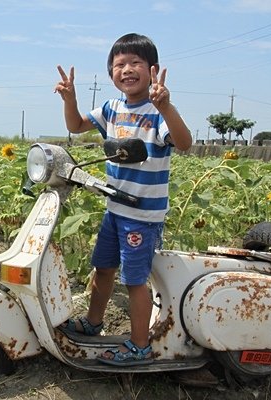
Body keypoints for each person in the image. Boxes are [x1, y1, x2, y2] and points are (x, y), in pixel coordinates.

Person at [54, 33, 192, 366]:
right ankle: (94, 322)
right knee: (102, 269)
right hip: (114, 208)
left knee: (133, 281)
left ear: (152, 70)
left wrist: (167, 107)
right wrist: (69, 99)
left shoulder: (156, 113)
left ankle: (140, 346)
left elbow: (184, 143)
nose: (127, 70)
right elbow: (75, 125)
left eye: (135, 63)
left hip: (142, 215)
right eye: (119, 64)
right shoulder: (111, 108)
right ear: (110, 73)